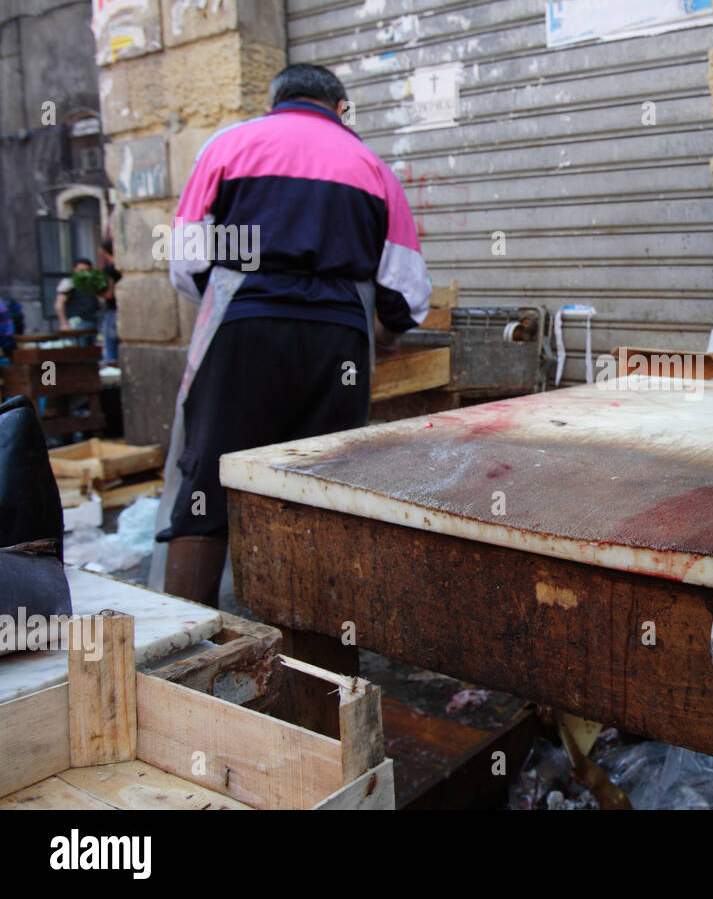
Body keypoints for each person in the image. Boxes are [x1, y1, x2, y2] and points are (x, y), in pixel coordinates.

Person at [154, 63, 431, 605]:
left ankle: (186, 652)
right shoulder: (371, 167)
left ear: (275, 100)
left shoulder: (228, 146)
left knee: (208, 481)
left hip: (243, 331)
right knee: (322, 489)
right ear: (339, 107)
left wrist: (240, 299)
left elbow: (186, 262)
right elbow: (405, 292)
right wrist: (387, 333)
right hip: (337, 343)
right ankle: (317, 653)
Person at [55, 259, 102, 331]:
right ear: (75, 269)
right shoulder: (69, 283)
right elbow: (59, 304)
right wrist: (64, 323)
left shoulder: (92, 282)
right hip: (78, 321)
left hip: (95, 319)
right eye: (82, 270)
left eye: (87, 270)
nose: (85, 273)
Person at [99, 238, 122, 363]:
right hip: (125, 310)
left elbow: (109, 294)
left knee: (111, 346)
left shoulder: (110, 269)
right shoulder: (124, 267)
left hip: (113, 310)